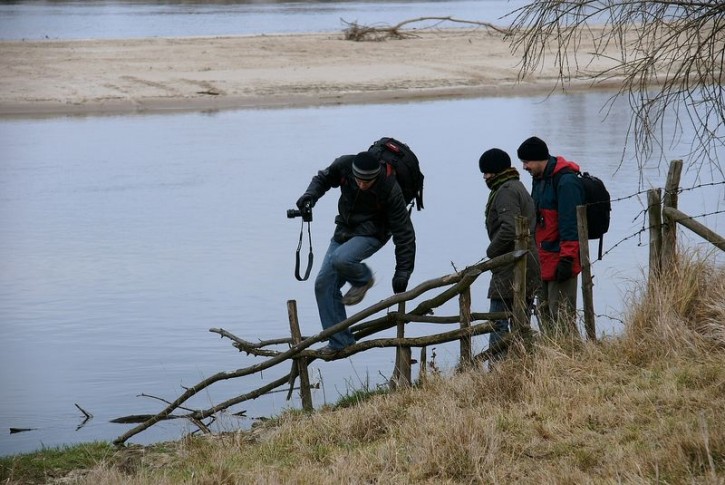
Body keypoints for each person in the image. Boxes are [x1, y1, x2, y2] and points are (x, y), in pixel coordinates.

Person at [295, 148, 416, 356]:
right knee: (323, 284)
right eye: (359, 180)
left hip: (374, 233)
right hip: (344, 230)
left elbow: (404, 233)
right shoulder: (344, 165)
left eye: (366, 182)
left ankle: (363, 279)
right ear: (353, 173)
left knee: (341, 258)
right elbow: (322, 179)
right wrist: (310, 196)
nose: (362, 184)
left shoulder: (389, 188)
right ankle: (340, 341)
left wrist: (403, 272)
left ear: (375, 176)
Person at [517, 136, 585, 336]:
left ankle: (569, 359)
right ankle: (553, 360)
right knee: (545, 315)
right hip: (543, 259)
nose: (524, 167)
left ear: (539, 159)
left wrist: (567, 258)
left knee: (562, 317)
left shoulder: (566, 182)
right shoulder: (539, 180)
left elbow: (570, 224)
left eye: (527, 162)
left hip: (561, 260)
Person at [478, 148, 541, 360]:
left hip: (510, 266)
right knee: (520, 319)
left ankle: (498, 367)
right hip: (526, 262)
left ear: (495, 171)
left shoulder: (505, 191)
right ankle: (521, 362)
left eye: (486, 172)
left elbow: (509, 229)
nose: (484, 177)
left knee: (499, 319)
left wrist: (491, 252)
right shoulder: (517, 186)